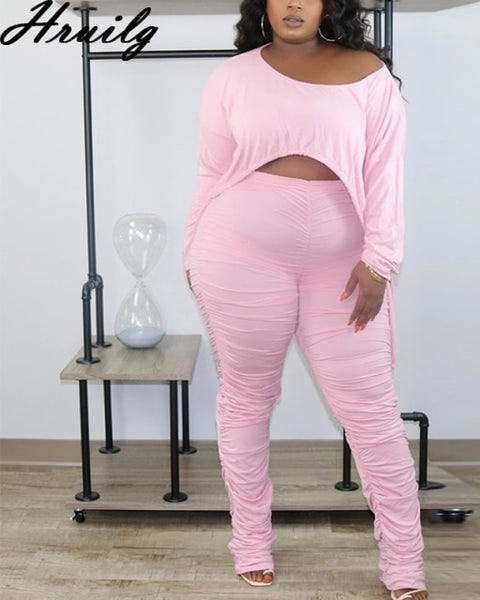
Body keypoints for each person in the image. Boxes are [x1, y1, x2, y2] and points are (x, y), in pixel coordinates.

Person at [183, 1, 428, 598]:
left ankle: (405, 566)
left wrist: (381, 261)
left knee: (371, 411)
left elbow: (386, 173)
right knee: (247, 398)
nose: (294, 3)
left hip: (344, 268)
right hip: (236, 255)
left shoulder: (369, 74)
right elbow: (212, 171)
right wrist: (192, 254)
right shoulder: (232, 77)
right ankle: (250, 542)